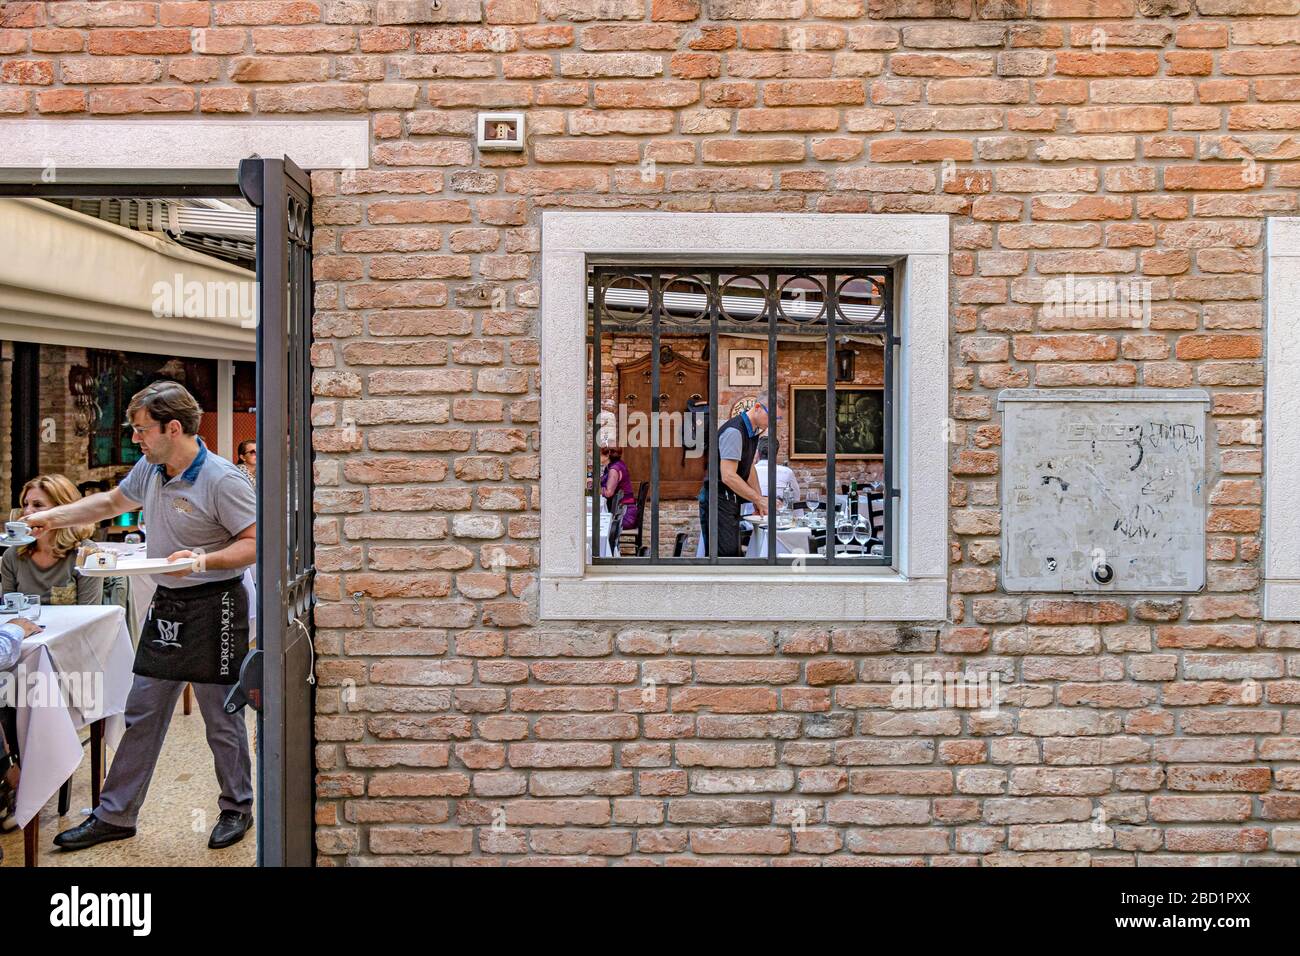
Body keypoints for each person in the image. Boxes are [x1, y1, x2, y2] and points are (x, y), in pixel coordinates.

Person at [26, 380, 258, 853]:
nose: (135, 439)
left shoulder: (222, 479)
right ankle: (115, 815)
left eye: (140, 430)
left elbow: (256, 543)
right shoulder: (151, 469)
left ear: (173, 428)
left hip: (218, 603)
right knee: (143, 711)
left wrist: (202, 560)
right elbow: (113, 503)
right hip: (169, 605)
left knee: (220, 717)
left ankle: (237, 806)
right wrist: (54, 517)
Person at [1, 474, 104, 606]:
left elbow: (91, 614)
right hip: (25, 626)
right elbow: (8, 611)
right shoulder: (13, 555)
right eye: (25, 504)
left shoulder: (87, 553)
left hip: (75, 626)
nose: (27, 511)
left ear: (62, 511)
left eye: (38, 505)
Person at [698, 399, 770, 557]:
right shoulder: (734, 431)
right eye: (772, 417)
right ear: (757, 408)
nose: (773, 423)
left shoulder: (753, 431)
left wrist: (758, 501)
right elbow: (728, 476)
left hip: (729, 500)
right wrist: (758, 499)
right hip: (718, 499)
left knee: (732, 553)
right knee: (724, 556)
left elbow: (748, 466)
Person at [751, 437, 801, 511]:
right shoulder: (787, 472)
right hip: (778, 517)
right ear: (776, 454)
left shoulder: (749, 471)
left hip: (751, 517)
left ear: (758, 453)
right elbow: (796, 499)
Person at [600, 446, 638, 530]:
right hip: (621, 511)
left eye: (600, 454)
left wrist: (595, 490)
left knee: (597, 524)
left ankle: (606, 543)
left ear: (607, 455)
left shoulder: (614, 469)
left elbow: (608, 493)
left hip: (624, 516)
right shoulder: (618, 464)